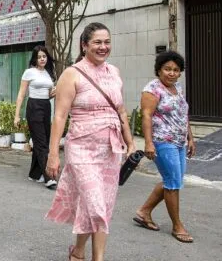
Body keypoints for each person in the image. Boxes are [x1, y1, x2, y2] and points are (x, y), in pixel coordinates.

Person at [45, 22, 135, 261]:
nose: (103, 47)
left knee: (102, 205)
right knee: (95, 203)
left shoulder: (113, 72)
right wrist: (53, 153)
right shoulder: (71, 74)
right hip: (81, 148)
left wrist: (130, 142)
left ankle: (84, 253)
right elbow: (60, 116)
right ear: (84, 45)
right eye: (97, 42)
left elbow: (121, 110)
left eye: (107, 42)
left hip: (110, 149)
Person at [133, 51, 196, 243]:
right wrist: (149, 143)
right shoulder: (152, 89)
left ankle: (144, 211)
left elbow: (183, 114)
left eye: (176, 70)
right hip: (162, 141)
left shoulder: (178, 88)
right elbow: (146, 116)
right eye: (167, 69)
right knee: (173, 183)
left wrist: (190, 138)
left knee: (173, 180)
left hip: (179, 141)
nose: (172, 73)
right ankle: (177, 226)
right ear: (159, 69)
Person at [14, 45, 58, 189]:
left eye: (44, 56)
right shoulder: (29, 72)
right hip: (34, 107)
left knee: (43, 139)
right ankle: (48, 176)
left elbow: (49, 94)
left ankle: (34, 173)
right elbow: (21, 94)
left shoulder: (48, 73)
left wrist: (57, 91)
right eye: (39, 57)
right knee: (41, 142)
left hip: (46, 107)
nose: (42, 59)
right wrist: (17, 116)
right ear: (35, 58)